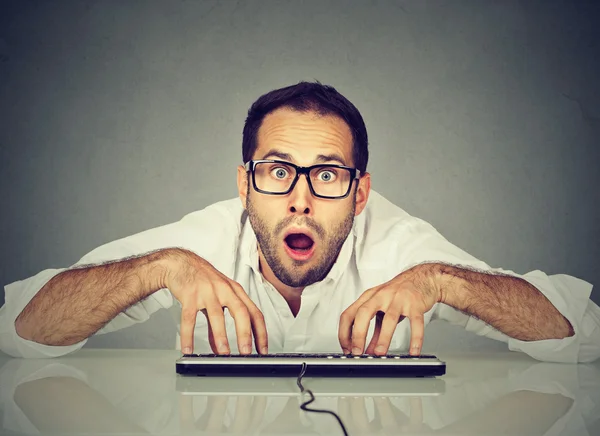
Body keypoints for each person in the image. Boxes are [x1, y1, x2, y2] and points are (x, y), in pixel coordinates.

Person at [1, 81, 598, 362]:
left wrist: (443, 282)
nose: (301, 201)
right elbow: (23, 330)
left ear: (360, 193)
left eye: (329, 175)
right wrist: (161, 268)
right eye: (278, 171)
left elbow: (578, 335)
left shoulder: (397, 245)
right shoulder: (204, 241)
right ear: (244, 185)